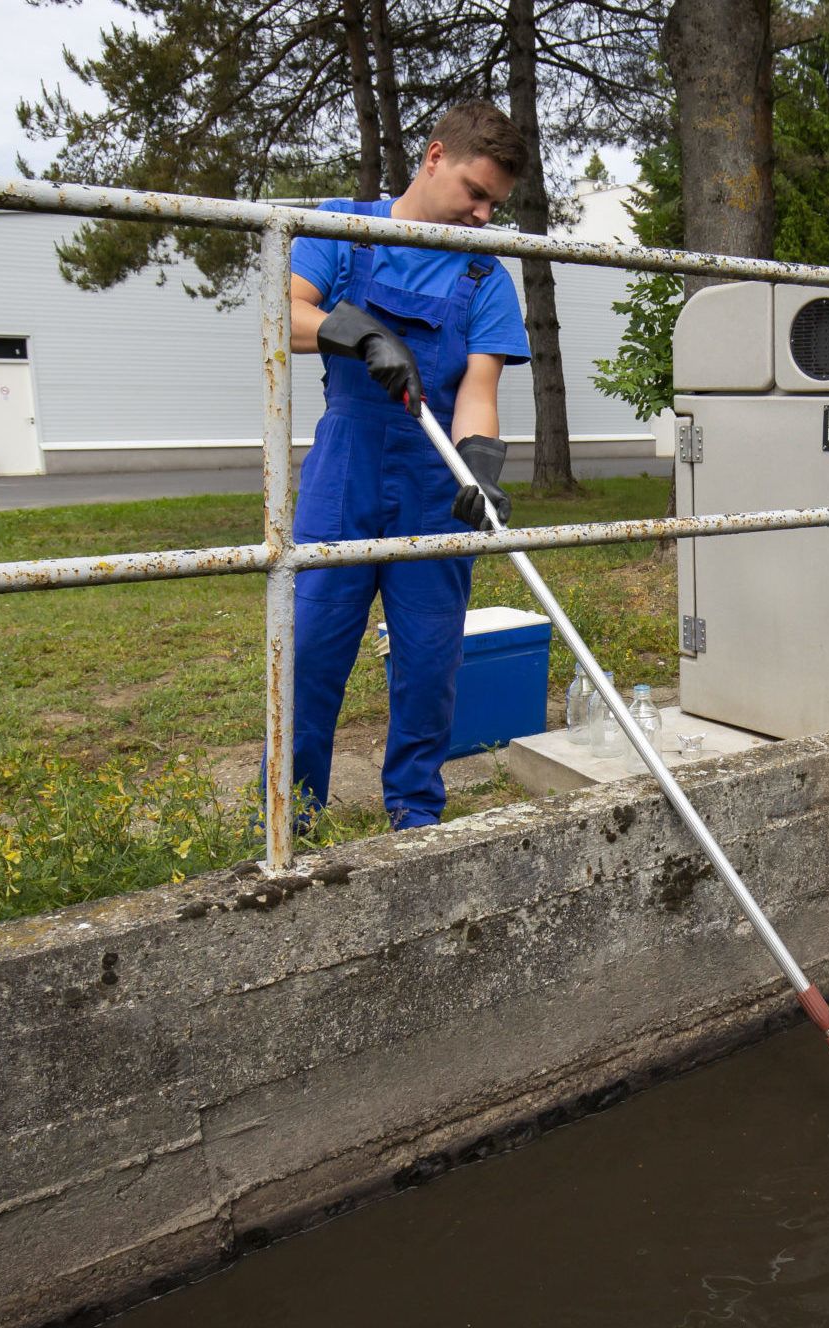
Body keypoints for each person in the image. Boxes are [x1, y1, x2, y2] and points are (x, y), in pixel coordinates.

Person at [287, 102, 532, 830]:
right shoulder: (343, 228)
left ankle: (416, 818)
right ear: (433, 157)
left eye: (494, 203)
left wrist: (479, 469)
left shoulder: (486, 275)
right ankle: (289, 817)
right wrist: (357, 330)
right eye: (475, 192)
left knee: (430, 664)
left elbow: (478, 391)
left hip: (433, 477)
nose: (483, 214)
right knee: (310, 654)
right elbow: (284, 311)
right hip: (346, 471)